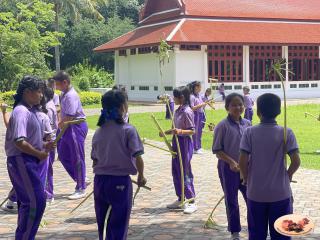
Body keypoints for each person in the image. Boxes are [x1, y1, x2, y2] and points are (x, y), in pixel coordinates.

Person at [239, 93, 301, 240]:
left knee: (256, 234)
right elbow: (296, 161)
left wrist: (246, 178)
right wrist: (288, 175)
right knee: (282, 234)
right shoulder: (286, 132)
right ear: (278, 111)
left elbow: (242, 160)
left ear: (258, 112)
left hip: (256, 193)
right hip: (281, 192)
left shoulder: (249, 132)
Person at [91, 90, 147, 240]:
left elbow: (94, 160)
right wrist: (141, 176)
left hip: (99, 182)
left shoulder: (98, 132)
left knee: (102, 222)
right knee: (119, 222)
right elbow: (138, 157)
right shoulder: (128, 130)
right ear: (123, 107)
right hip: (120, 182)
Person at [5, 76, 54, 239]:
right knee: (36, 202)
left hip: (28, 161)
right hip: (21, 161)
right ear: (27, 92)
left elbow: (30, 139)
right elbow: (19, 141)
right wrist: (39, 153)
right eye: (39, 91)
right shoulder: (20, 112)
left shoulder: (30, 111)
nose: (41, 95)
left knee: (28, 202)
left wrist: (44, 145)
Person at [212, 93, 251, 240]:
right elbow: (217, 150)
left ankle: (254, 227)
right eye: (234, 105)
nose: (238, 107)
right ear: (227, 107)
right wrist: (231, 162)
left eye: (240, 104)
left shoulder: (248, 124)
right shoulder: (222, 126)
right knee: (232, 200)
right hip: (228, 169)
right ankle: (235, 231)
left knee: (251, 198)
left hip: (246, 169)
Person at [53, 71, 88, 200]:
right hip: (67, 127)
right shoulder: (63, 94)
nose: (56, 87)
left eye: (58, 84)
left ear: (65, 82)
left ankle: (81, 187)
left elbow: (71, 115)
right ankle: (81, 178)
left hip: (75, 126)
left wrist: (60, 123)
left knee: (77, 157)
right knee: (62, 155)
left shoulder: (71, 96)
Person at [164, 86, 197, 214]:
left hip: (184, 143)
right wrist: (165, 132)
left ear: (181, 97)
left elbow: (192, 130)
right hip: (176, 142)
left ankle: (191, 200)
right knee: (176, 170)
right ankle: (180, 197)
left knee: (185, 171)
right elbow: (174, 129)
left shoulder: (187, 111)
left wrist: (180, 131)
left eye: (175, 96)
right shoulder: (178, 111)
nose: (173, 98)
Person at [44, 86, 58, 202]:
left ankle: (48, 194)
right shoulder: (51, 105)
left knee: (47, 169)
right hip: (52, 140)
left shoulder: (48, 108)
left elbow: (48, 128)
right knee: (48, 168)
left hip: (49, 141)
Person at [189, 81, 207, 154]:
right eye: (200, 87)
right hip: (195, 114)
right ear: (196, 87)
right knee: (195, 131)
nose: (201, 88)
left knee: (200, 131)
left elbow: (201, 104)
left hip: (201, 114)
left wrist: (205, 103)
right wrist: (201, 105)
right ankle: (195, 148)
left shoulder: (199, 95)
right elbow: (192, 107)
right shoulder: (192, 96)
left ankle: (199, 147)